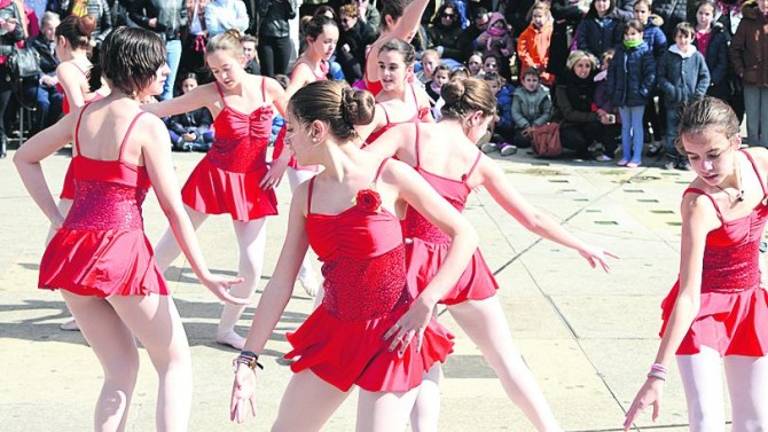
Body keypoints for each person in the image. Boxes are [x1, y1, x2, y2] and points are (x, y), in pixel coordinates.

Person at [13, 26, 246, 431]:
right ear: (139, 70)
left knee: (119, 372)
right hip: (121, 255)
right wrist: (206, 275)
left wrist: (57, 217)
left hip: (73, 254)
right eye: (158, 67)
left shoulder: (84, 114)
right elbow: (174, 211)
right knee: (175, 363)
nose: (163, 74)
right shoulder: (146, 125)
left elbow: (24, 158)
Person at [366, 77, 615, 432]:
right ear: (476, 117)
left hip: (409, 260)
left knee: (419, 356)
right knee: (505, 359)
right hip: (457, 260)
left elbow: (359, 168)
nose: (483, 133)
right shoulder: (477, 161)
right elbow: (533, 218)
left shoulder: (409, 134)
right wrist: (581, 244)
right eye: (486, 125)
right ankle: (550, 428)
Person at [228, 80, 478, 430]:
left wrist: (428, 300)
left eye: (290, 129)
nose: (284, 141)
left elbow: (464, 233)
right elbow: (281, 281)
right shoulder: (306, 194)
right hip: (335, 329)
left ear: (317, 130)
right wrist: (247, 359)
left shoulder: (389, 174)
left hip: (395, 333)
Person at [623, 97, 768, 432]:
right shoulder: (697, 205)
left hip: (748, 306)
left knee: (756, 424)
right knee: (707, 423)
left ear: (736, 142)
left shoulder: (761, 165)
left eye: (713, 154)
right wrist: (656, 374)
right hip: (702, 311)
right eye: (693, 157)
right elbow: (688, 294)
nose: (705, 167)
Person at [145, 30, 290, 350]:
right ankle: (123, 304)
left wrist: (282, 159)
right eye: (214, 70)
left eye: (226, 68)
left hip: (253, 182)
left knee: (252, 266)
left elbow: (298, 122)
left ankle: (227, 328)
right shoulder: (210, 93)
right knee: (169, 247)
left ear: (244, 58)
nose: (221, 76)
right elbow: (161, 109)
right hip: (213, 177)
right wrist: (115, 104)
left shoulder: (269, 86)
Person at [274, 14, 341, 296]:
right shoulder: (303, 68)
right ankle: (303, 269)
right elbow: (285, 101)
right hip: (298, 145)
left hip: (313, 142)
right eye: (326, 41)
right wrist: (299, 128)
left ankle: (307, 268)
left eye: (334, 42)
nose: (331, 47)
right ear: (311, 40)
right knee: (309, 208)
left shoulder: (320, 65)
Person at [357, 39, 432, 146]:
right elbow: (350, 149)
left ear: (409, 70)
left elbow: (433, 133)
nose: (385, 73)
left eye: (392, 67)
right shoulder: (376, 110)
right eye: (382, 66)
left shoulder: (418, 94)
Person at [658, 22, 711, 170]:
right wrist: (671, 90)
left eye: (686, 37)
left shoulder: (697, 56)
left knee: (689, 131)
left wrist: (699, 93)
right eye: (680, 37)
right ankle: (671, 156)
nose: (683, 40)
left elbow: (705, 76)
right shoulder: (668, 55)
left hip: (691, 102)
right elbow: (661, 77)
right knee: (672, 131)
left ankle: (686, 158)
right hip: (673, 101)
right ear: (675, 38)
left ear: (692, 38)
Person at [607, 19, 655, 167]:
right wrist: (613, 91)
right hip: (622, 95)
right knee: (625, 127)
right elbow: (612, 72)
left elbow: (650, 74)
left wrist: (643, 91)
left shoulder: (645, 51)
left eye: (633, 34)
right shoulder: (620, 51)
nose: (629, 37)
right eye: (627, 34)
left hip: (637, 96)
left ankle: (636, 157)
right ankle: (626, 155)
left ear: (641, 34)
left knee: (637, 126)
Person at [553, 50, 617, 160]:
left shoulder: (594, 81)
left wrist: (604, 114)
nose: (584, 70)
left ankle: (607, 149)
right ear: (573, 66)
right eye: (580, 66)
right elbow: (568, 113)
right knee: (576, 139)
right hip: (567, 123)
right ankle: (580, 149)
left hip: (588, 120)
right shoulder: (562, 84)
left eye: (587, 66)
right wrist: (596, 116)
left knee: (603, 124)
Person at [363, 0, 430, 96]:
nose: (414, 29)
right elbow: (405, 28)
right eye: (412, 20)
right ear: (389, 20)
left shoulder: (398, 50)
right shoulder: (379, 50)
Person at [124, 0, 187, 101]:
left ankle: (166, 115)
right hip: (155, 40)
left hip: (174, 41)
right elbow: (133, 13)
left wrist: (181, 24)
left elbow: (184, 13)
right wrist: (147, 21)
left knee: (168, 84)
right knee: (151, 81)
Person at [730, 0, 768, 148]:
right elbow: (735, 49)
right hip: (751, 77)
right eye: (762, 0)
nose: (765, 3)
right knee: (752, 117)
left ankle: (765, 153)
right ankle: (753, 150)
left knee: (767, 118)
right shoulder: (747, 22)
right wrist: (741, 70)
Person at [29, 11, 63, 134]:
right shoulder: (33, 43)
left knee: (60, 100)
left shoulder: (62, 43)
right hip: (37, 82)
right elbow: (31, 65)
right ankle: (36, 134)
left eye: (56, 28)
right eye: (49, 28)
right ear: (42, 28)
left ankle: (47, 132)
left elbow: (64, 64)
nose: (53, 32)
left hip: (56, 82)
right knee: (43, 103)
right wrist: (43, 77)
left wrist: (57, 78)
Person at [0, 0, 24, 158]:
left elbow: (21, 35)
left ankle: (2, 138)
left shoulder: (10, 5)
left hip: (5, 64)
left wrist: (11, 28)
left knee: (2, 106)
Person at [166, 72, 214, 152]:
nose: (189, 89)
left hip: (199, 134)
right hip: (183, 134)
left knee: (213, 135)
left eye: (192, 86)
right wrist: (185, 133)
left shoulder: (204, 103)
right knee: (168, 132)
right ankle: (193, 145)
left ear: (197, 86)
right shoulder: (178, 102)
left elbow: (205, 124)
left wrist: (195, 134)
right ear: (182, 87)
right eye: (186, 86)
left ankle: (189, 146)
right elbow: (174, 123)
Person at [511, 67, 552, 150]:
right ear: (523, 82)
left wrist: (536, 125)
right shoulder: (518, 94)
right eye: (528, 80)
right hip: (523, 126)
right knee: (520, 140)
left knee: (545, 139)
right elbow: (515, 112)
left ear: (539, 82)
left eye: (534, 80)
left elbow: (548, 112)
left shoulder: (544, 93)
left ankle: (538, 141)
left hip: (539, 125)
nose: (531, 83)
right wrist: (526, 125)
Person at [517, 1, 555, 86]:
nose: (537, 19)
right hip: (529, 73)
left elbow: (554, 50)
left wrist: (545, 64)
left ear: (546, 16)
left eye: (540, 16)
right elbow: (522, 52)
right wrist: (531, 64)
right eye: (534, 16)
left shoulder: (552, 31)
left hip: (547, 73)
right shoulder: (525, 34)